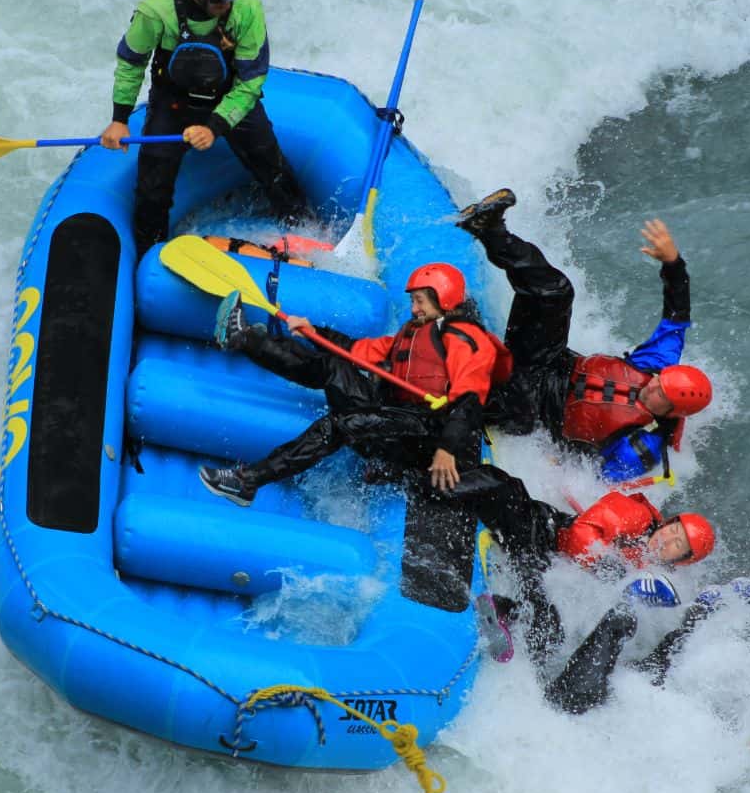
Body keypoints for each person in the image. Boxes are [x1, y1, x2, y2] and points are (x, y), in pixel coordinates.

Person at [198, 262, 510, 507]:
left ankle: (246, 482)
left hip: (428, 436)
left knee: (341, 424)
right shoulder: (414, 333)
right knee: (333, 366)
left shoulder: (467, 339)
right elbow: (357, 350)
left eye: (419, 301)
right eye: (412, 301)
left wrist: (446, 449)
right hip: (396, 420)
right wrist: (314, 331)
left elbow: (469, 400)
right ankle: (246, 339)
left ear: (443, 300)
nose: (413, 308)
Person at [455, 189, 713, 481]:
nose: (652, 386)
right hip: (549, 362)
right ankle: (490, 229)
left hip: (527, 409)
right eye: (659, 381)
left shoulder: (643, 448)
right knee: (557, 292)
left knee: (484, 390)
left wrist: (557, 468)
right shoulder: (656, 363)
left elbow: (599, 484)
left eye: (660, 394)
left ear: (672, 412)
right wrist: (673, 263)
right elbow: (677, 315)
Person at [447, 463, 719, 712]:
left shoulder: (655, 577)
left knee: (549, 636)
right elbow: (580, 534)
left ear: (681, 560)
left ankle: (504, 616)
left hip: (550, 569)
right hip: (543, 536)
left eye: (677, 544)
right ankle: (502, 610)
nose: (667, 539)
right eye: (674, 530)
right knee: (506, 490)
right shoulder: (637, 516)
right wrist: (607, 569)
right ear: (668, 522)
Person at [101, 0, 308, 256]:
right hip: (173, 101)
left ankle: (301, 227)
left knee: (269, 161)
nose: (227, 6)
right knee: (152, 186)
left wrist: (214, 126)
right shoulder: (155, 12)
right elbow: (131, 63)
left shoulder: (246, 8)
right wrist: (119, 119)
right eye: (219, 1)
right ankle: (149, 253)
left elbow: (251, 80)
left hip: (229, 95)